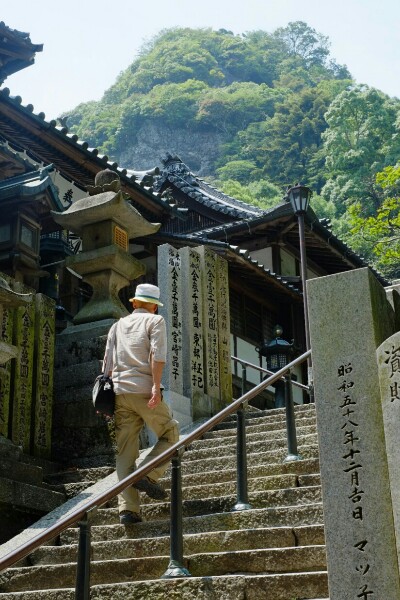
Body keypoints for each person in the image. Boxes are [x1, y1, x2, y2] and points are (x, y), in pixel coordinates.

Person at [103, 283, 179, 524]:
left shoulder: (116, 326)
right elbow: (157, 356)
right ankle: (147, 474)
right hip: (145, 391)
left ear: (134, 303)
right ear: (155, 307)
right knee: (171, 432)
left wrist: (107, 401)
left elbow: (106, 365)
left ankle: (128, 510)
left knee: (125, 452)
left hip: (119, 394)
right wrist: (156, 386)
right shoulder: (156, 322)